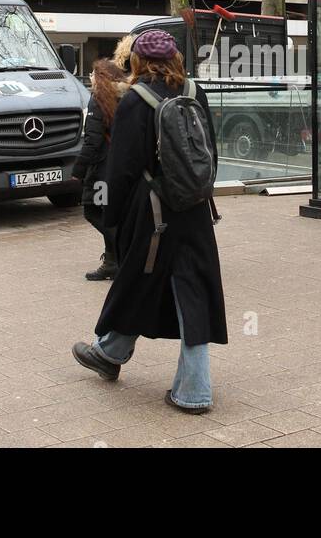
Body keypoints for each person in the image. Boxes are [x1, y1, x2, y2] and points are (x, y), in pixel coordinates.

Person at [72, 30, 227, 414]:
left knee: (139, 279)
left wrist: (114, 221)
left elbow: (121, 170)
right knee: (187, 290)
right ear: (176, 58)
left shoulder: (134, 101)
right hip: (193, 210)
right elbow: (210, 154)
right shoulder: (195, 93)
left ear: (137, 61)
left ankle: (192, 391)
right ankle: (112, 353)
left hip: (151, 212)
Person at [72, 58, 129, 281]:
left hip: (102, 173)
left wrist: (78, 170)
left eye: (93, 75)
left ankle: (120, 255)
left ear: (101, 78)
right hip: (121, 167)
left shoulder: (98, 102)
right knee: (109, 213)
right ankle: (112, 261)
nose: (91, 79)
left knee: (94, 211)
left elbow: (92, 141)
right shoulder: (126, 97)